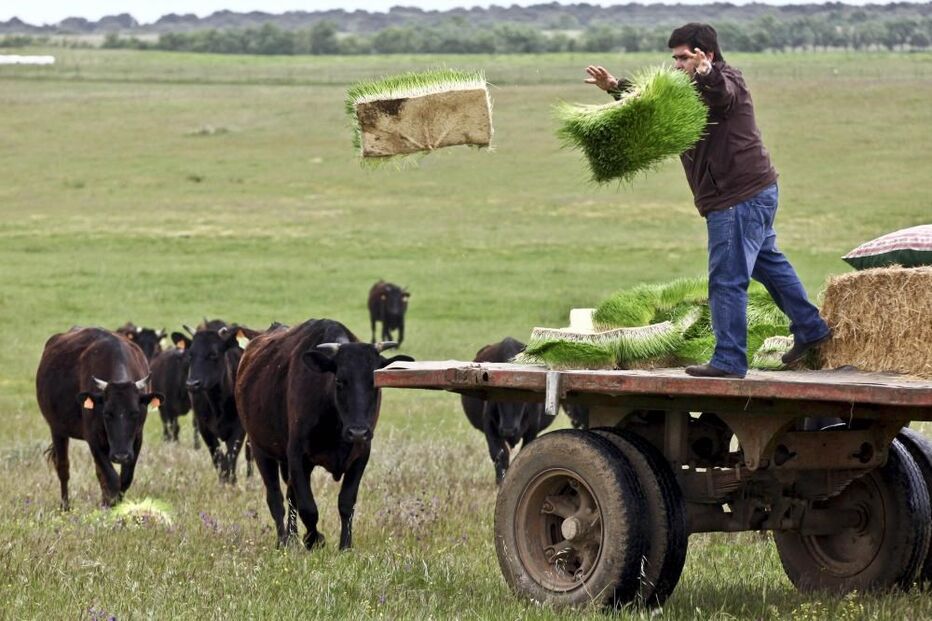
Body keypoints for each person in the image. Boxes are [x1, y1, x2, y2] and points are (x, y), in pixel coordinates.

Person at [584, 23, 831, 379]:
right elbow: (650, 102)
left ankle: (729, 360)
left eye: (684, 58)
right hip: (752, 193)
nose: (676, 65)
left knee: (726, 279)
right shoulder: (684, 88)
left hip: (736, 197)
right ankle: (811, 328)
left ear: (707, 55)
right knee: (767, 263)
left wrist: (707, 74)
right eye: (675, 58)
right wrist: (614, 87)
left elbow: (723, 96)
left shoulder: (726, 80)